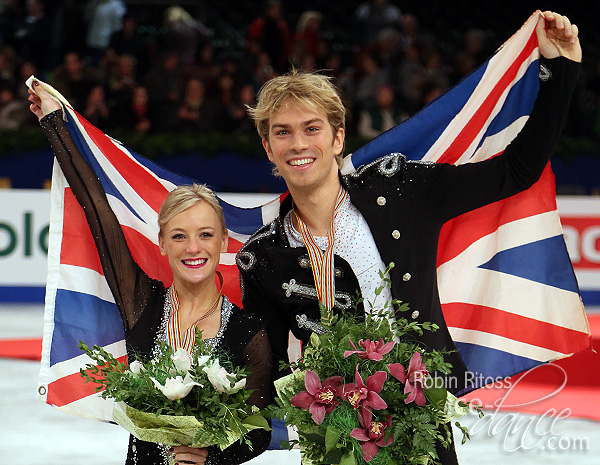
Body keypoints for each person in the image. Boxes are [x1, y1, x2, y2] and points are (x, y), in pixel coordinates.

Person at [236, 10, 580, 465]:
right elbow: (268, 373)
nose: (298, 144)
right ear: (268, 148)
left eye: (311, 128)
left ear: (338, 138)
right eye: (283, 132)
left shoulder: (401, 191)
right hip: (335, 441)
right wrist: (209, 447)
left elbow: (517, 171)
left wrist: (561, 69)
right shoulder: (262, 258)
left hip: (424, 419)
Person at [28, 84, 272, 465]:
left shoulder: (248, 330)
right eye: (179, 236)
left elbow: (258, 431)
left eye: (205, 235)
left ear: (224, 242)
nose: (193, 248)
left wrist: (210, 457)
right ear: (161, 243)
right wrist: (56, 123)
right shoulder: (142, 301)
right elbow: (99, 213)